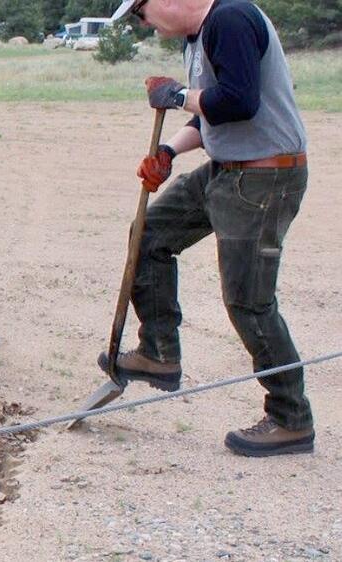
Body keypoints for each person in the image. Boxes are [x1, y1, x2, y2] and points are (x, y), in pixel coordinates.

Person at [107, 0, 312, 457]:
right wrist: (168, 151)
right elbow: (207, 115)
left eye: (141, 14)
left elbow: (238, 101)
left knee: (249, 301)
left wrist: (178, 95)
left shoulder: (230, 18)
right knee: (149, 234)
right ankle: (159, 353)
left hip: (264, 177)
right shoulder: (198, 37)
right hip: (227, 169)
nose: (147, 26)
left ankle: (291, 418)